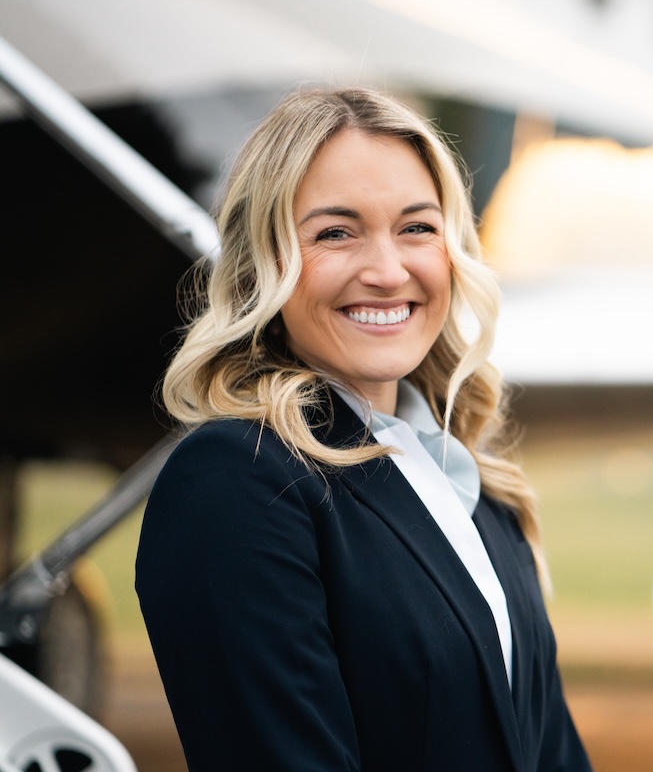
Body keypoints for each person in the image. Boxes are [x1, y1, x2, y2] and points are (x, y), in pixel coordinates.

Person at [135, 86, 593, 772]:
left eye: (416, 228)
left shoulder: (470, 481)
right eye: (335, 233)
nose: (387, 271)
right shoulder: (236, 481)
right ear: (266, 261)